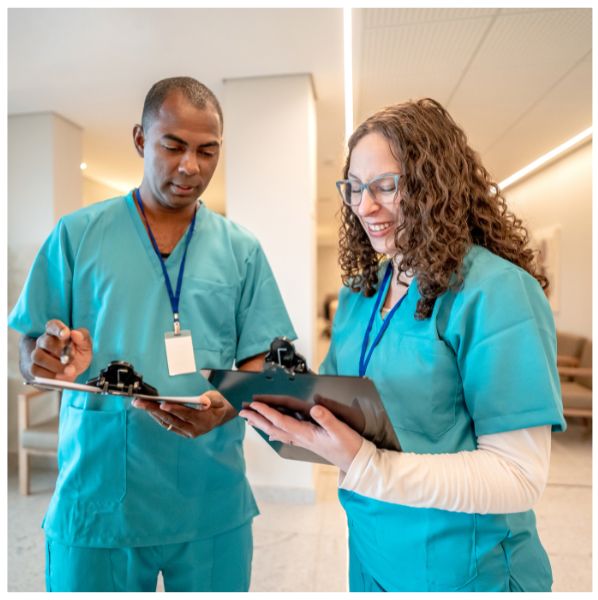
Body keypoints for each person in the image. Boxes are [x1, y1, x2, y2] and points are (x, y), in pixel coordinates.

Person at [241, 98, 566, 592]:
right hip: (372, 551)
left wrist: (371, 468)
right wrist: (281, 411)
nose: (365, 206)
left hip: (464, 567)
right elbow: (339, 413)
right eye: (353, 188)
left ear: (435, 186)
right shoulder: (361, 293)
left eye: (385, 186)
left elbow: (519, 475)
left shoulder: (494, 291)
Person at [8, 76, 296, 592]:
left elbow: (266, 360)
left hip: (209, 495)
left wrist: (229, 403)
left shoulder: (240, 250)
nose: (191, 166)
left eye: (207, 151)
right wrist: (43, 358)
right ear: (141, 139)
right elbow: (31, 347)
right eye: (173, 146)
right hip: (99, 494)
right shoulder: (77, 235)